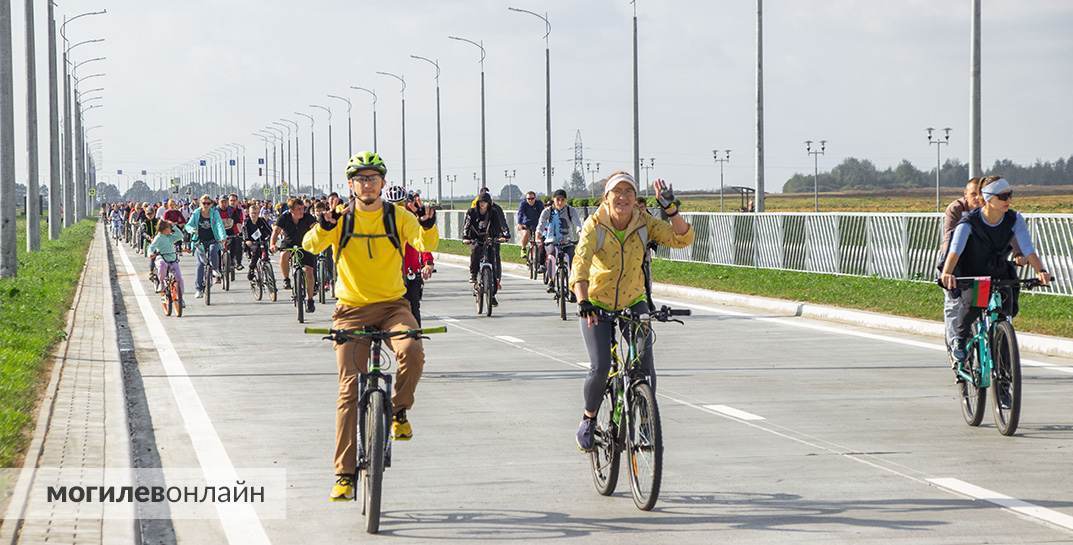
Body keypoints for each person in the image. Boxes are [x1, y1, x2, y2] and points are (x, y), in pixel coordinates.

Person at [301, 151, 438, 502]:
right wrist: (325, 226)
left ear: (382, 183)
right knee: (348, 391)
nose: (367, 183)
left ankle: (398, 409)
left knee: (412, 350)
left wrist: (427, 223)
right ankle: (344, 475)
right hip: (351, 311)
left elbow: (426, 244)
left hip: (394, 306)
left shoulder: (398, 217)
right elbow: (310, 245)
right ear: (351, 185)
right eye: (360, 179)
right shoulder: (342, 219)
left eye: (373, 178)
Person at [570, 172, 694, 451]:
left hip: (633, 300)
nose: (623, 197)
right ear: (607, 198)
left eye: (629, 191)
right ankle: (588, 419)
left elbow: (681, 239)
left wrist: (671, 210)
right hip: (597, 304)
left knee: (644, 368)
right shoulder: (595, 225)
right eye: (617, 192)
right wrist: (582, 301)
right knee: (601, 366)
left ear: (635, 199)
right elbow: (580, 264)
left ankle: (646, 420)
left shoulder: (644, 224)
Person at [939, 177, 1051, 374]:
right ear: (989, 198)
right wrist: (947, 273)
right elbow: (955, 250)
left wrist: (1040, 270)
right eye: (1003, 196)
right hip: (973, 271)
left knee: (1005, 315)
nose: (1008, 200)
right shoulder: (969, 222)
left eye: (1010, 195)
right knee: (973, 306)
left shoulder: (1014, 219)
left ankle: (1005, 379)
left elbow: (1027, 248)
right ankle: (959, 340)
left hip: (999, 269)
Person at [271, 197, 318, 313]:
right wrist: (272, 244)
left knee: (309, 271)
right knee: (284, 255)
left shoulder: (308, 217)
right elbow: (276, 231)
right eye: (298, 209)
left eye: (303, 208)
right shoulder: (284, 217)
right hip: (289, 242)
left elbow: (316, 230)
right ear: (291, 210)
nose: (302, 211)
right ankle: (286, 279)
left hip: (305, 244)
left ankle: (310, 300)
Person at [463, 192, 510, 306]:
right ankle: (474, 275)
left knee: (493, 260)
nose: (483, 204)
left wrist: (503, 236)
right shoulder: (472, 212)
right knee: (475, 251)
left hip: (489, 238)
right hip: (476, 238)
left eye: (485, 202)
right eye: (481, 202)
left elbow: (499, 225)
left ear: (489, 203)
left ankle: (492, 291)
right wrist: (465, 237)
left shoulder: (493, 212)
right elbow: (466, 226)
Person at [536, 189, 581, 299]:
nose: (560, 202)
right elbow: (541, 224)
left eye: (562, 200)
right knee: (551, 254)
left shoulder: (571, 211)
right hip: (551, 241)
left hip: (567, 241)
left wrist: (581, 233)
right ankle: (551, 280)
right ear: (553, 200)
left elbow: (577, 223)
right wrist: (538, 234)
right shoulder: (547, 211)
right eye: (557, 200)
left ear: (566, 200)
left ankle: (571, 287)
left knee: (571, 259)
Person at [400, 190, 435, 325]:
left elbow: (422, 243)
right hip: (389, 274)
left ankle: (416, 337)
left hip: (411, 271)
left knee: (414, 306)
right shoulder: (384, 224)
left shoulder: (413, 221)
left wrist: (428, 263)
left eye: (403, 204)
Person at [183, 195, 227, 299]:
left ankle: (215, 269)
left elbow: (219, 225)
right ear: (200, 203)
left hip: (213, 239)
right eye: (204, 203)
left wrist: (222, 237)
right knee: (200, 264)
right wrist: (192, 230)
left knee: (213, 250)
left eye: (208, 203)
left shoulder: (214, 213)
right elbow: (188, 225)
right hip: (200, 241)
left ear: (211, 204)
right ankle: (199, 289)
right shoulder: (196, 213)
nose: (206, 205)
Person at [148, 221, 186, 307]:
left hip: (172, 259)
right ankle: (161, 282)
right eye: (169, 228)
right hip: (162, 257)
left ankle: (180, 298)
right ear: (164, 229)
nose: (171, 230)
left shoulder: (171, 237)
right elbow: (151, 247)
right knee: (162, 265)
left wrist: (174, 226)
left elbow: (180, 236)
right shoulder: (158, 237)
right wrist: (150, 253)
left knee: (179, 278)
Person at [243, 205, 274, 281]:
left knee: (265, 255)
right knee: (256, 250)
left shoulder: (262, 220)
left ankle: (268, 273)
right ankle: (251, 269)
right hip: (251, 243)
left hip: (262, 241)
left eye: (256, 213)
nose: (254, 215)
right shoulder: (247, 222)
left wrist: (272, 236)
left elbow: (269, 230)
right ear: (249, 213)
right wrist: (247, 240)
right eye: (252, 213)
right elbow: (245, 231)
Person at [516, 191, 545, 260]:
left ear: (535, 198)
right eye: (528, 199)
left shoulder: (539, 204)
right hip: (526, 224)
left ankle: (540, 256)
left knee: (540, 239)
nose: (530, 200)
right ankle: (523, 249)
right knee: (526, 233)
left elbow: (543, 215)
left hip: (537, 224)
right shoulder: (523, 204)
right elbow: (520, 214)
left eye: (532, 198)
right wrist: (520, 223)